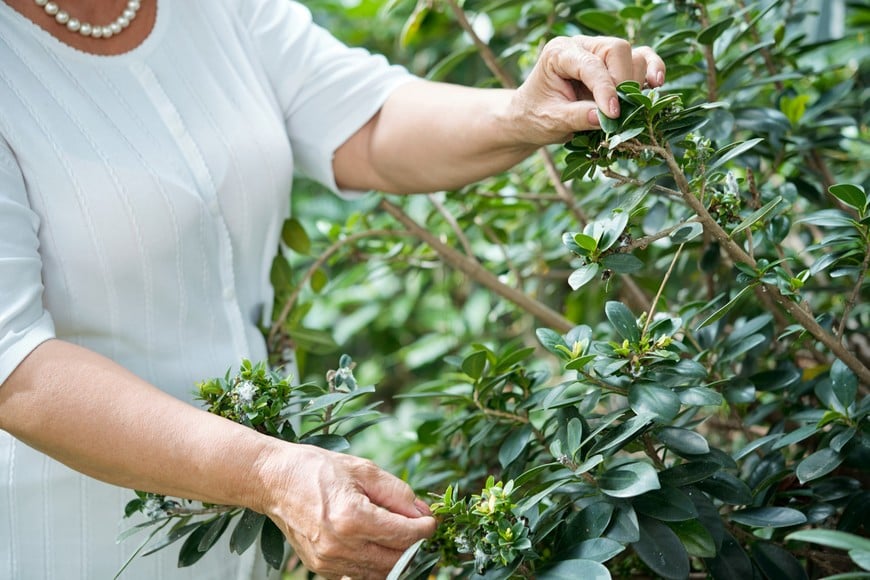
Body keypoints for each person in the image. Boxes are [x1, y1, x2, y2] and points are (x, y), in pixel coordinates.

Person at [0, 0, 665, 578]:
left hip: (248, 522)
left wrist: (524, 109)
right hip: (70, 534)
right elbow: (16, 366)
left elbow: (367, 126)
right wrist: (267, 472)